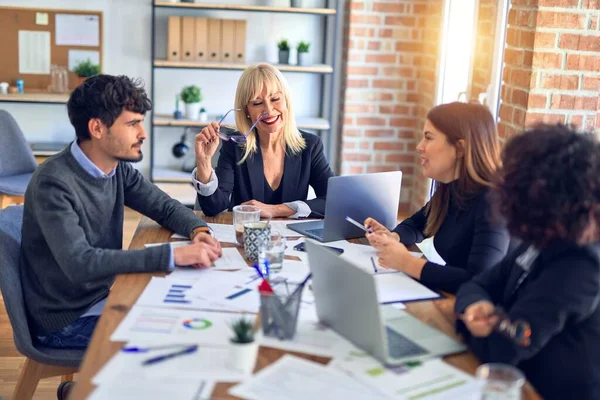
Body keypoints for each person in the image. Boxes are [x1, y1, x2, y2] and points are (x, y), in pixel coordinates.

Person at [21, 74, 222, 352]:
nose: (143, 133)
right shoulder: (53, 182)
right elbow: (81, 264)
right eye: (132, 124)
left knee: (196, 313)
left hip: (102, 297)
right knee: (182, 337)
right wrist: (173, 255)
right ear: (97, 128)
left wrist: (198, 231)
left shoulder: (117, 168)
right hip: (65, 321)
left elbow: (163, 206)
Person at [455, 124, 600, 400]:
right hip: (519, 381)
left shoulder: (581, 268)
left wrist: (472, 321)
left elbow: (503, 348)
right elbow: (479, 283)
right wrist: (475, 305)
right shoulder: (546, 237)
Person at [365, 102, 509, 293]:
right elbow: (420, 223)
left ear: (460, 148)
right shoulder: (452, 187)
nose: (419, 147)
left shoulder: (495, 201)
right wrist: (394, 236)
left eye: (428, 138)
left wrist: (407, 262)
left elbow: (479, 281)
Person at [193, 63, 334, 218]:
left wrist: (277, 210)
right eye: (257, 103)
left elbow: (333, 201)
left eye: (275, 99)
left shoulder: (311, 146)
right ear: (246, 111)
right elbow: (213, 208)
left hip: (290, 239)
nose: (268, 110)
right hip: (245, 236)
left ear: (286, 100)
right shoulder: (234, 146)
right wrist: (204, 161)